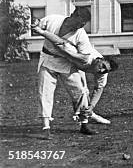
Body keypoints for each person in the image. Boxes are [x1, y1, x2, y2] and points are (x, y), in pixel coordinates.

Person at [30, 22, 119, 125]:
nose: (101, 70)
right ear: (100, 59)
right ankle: (82, 115)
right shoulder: (86, 55)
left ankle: (87, 114)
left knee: (83, 92)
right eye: (102, 66)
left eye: (105, 70)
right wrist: (41, 32)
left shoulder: (103, 73)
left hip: (79, 66)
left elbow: (99, 88)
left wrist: (92, 106)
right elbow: (61, 43)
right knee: (80, 90)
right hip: (68, 61)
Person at [35, 7, 97, 138]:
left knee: (80, 92)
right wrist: (35, 23)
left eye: (83, 24)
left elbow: (85, 57)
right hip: (48, 60)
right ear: (72, 16)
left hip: (66, 63)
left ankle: (84, 124)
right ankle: (46, 127)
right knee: (45, 93)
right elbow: (38, 24)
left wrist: (68, 53)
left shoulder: (80, 34)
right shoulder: (53, 20)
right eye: (79, 22)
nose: (80, 26)